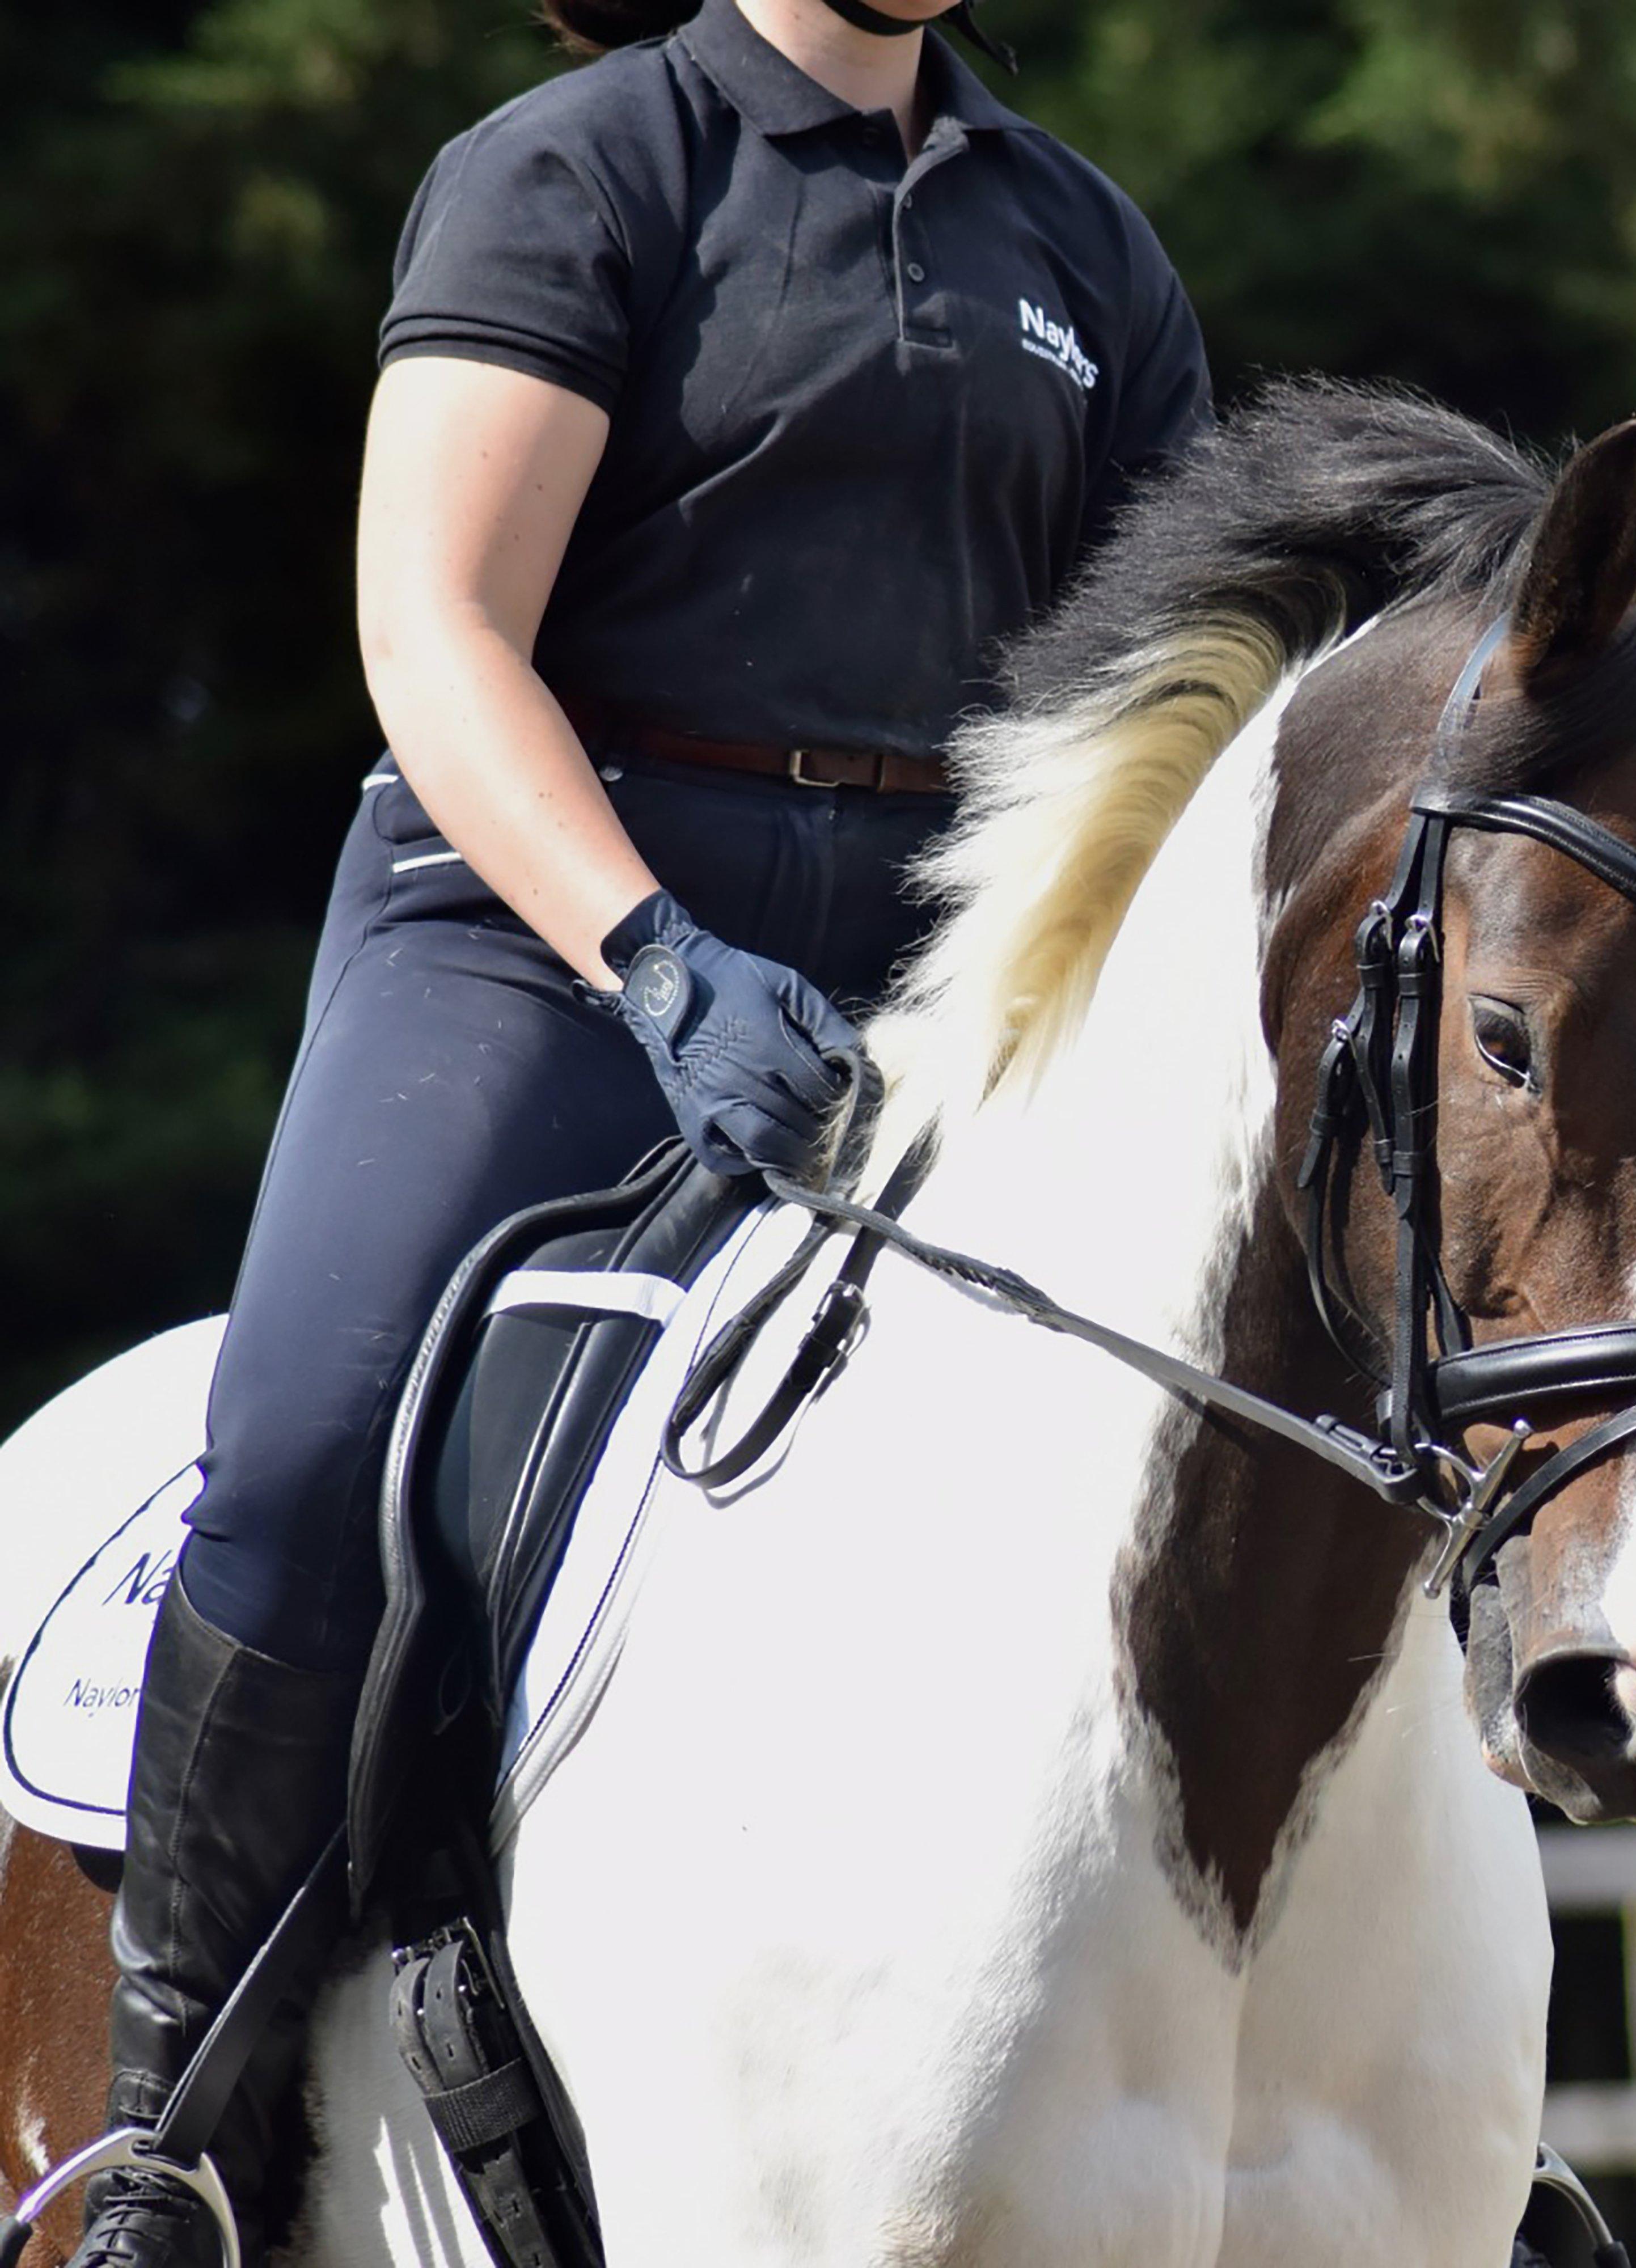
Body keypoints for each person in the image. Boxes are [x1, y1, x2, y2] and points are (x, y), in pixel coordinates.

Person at [71, 1, 1210, 2260]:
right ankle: (172, 2131)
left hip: (945, 946)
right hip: (543, 910)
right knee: (308, 1449)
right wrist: (652, 955)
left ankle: (1391, 2090)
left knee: (1254, 1390)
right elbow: (437, 626)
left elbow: (1169, 695)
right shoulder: (585, 169)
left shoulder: (1085, 245)